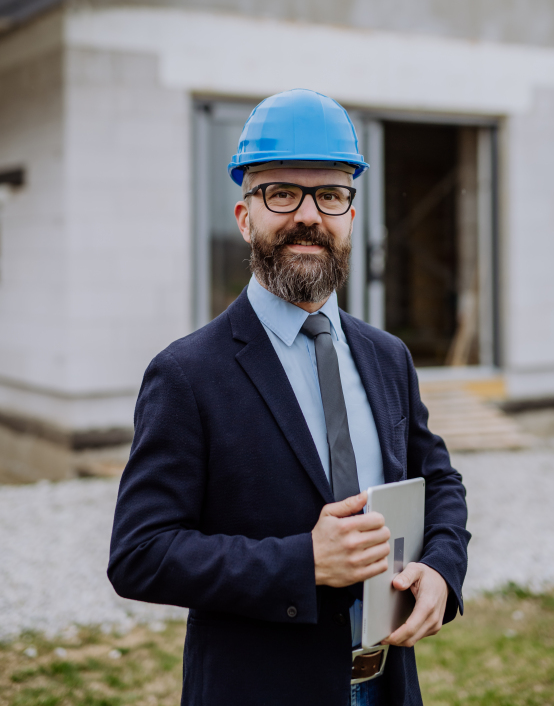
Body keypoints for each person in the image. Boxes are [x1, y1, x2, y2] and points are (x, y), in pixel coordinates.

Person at [108, 89, 469, 706]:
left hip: (389, 687)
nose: (309, 215)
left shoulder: (388, 357)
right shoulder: (187, 373)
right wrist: (303, 562)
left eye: (330, 194)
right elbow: (140, 553)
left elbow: (440, 484)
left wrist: (440, 568)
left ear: (351, 216)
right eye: (282, 193)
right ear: (245, 216)